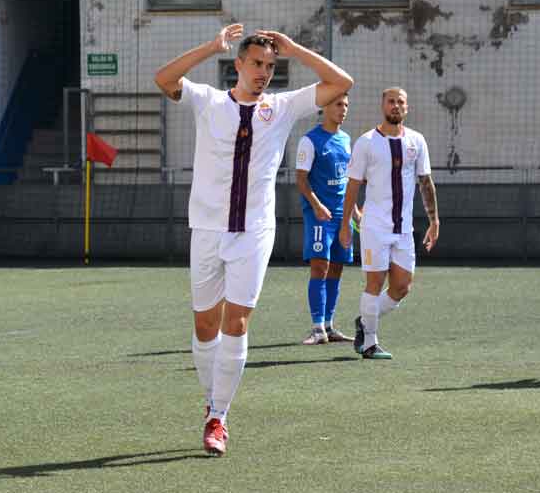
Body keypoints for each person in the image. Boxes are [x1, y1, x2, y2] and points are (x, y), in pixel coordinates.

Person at [154, 24, 353, 455]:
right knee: (205, 325)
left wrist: (296, 49)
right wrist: (211, 46)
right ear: (239, 64)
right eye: (257, 63)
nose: (264, 71)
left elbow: (341, 83)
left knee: (237, 322)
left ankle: (218, 418)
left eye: (270, 65)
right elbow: (164, 79)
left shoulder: (281, 107)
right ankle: (211, 401)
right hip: (207, 230)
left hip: (254, 233)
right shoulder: (209, 101)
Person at [339, 87, 439, 360]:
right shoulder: (367, 142)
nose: (396, 106)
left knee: (402, 287)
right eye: (391, 101)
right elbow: (353, 185)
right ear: (382, 106)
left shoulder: (417, 141)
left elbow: (425, 182)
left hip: (404, 229)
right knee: (374, 282)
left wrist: (434, 220)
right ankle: (370, 342)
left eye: (401, 102)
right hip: (374, 227)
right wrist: (346, 222)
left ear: (407, 108)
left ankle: (363, 321)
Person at [296, 93, 361, 345]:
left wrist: (354, 211)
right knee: (320, 267)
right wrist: (317, 205)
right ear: (324, 107)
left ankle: (330, 326)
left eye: (346, 105)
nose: (343, 109)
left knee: (337, 268)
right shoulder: (310, 140)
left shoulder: (345, 140)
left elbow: (347, 181)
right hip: (319, 215)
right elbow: (301, 179)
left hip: (342, 216)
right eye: (338, 104)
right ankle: (316, 328)